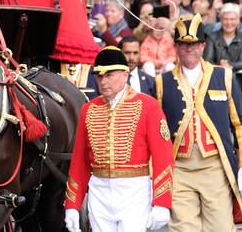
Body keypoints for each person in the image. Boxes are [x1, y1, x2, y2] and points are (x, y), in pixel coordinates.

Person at [156, 14, 242, 231]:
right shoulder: (162, 83)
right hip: (180, 168)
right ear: (175, 46)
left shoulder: (224, 77)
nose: (188, 49)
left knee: (220, 227)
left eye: (193, 44)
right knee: (183, 228)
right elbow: (156, 132)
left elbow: (240, 124)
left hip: (214, 166)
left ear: (203, 46)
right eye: (183, 44)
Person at [64, 47, 173, 232]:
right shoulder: (88, 109)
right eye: (99, 76)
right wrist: (72, 205)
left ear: (125, 74)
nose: (103, 81)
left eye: (109, 75)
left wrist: (162, 202)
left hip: (135, 190)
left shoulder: (148, 106)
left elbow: (164, 157)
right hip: (98, 190)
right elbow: (79, 161)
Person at [203, 3, 242, 72]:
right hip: (216, 76)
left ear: (238, 20)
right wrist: (220, 66)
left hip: (238, 78)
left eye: (232, 19)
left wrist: (230, 65)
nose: (229, 23)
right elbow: (207, 60)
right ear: (220, 20)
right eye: (225, 19)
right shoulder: (212, 37)